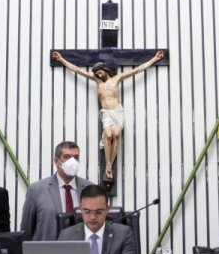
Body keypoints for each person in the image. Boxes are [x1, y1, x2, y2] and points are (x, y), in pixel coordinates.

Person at [53, 51, 164, 181]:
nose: (98, 74)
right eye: (97, 72)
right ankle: (108, 164)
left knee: (116, 136)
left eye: (100, 71)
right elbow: (77, 70)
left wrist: (154, 59)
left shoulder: (117, 79)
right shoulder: (97, 81)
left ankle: (110, 164)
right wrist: (61, 60)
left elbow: (138, 69)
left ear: (105, 70)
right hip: (106, 113)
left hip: (117, 111)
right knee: (109, 135)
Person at [20, 141, 95, 241]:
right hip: (47, 252)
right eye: (67, 157)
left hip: (81, 251)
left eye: (76, 158)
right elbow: (27, 230)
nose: (72, 161)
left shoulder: (90, 188)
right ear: (56, 161)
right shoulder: (36, 190)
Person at [57, 184, 137, 254]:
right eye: (87, 211)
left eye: (99, 212)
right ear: (80, 209)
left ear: (107, 209)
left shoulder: (123, 234)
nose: (92, 217)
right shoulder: (66, 236)